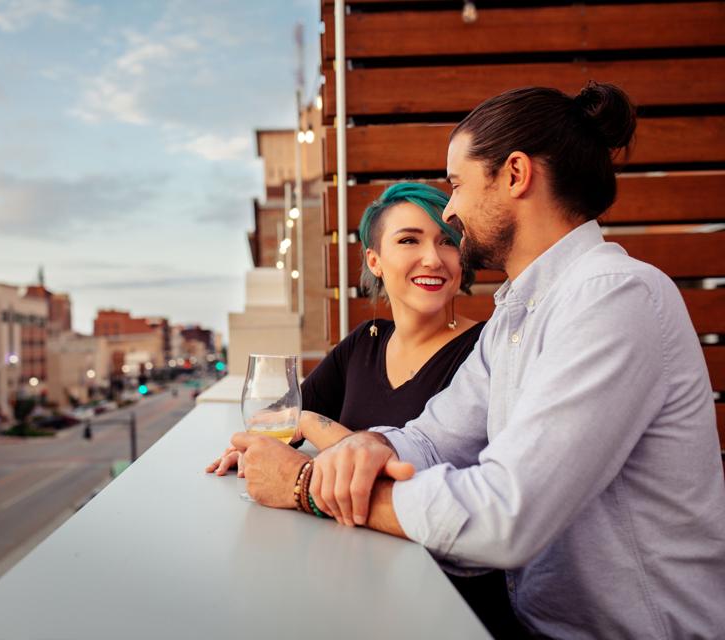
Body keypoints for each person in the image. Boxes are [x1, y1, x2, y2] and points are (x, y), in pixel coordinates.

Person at [231, 82, 725, 638]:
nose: (454, 211)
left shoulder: (614, 297)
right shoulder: (516, 314)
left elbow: (506, 516)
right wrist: (374, 445)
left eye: (457, 184)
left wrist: (307, 488)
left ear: (515, 174)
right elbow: (437, 436)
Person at [208, 183, 521, 635]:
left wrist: (311, 424)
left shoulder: (484, 352)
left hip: (444, 597)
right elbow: (283, 419)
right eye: (409, 240)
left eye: (447, 242)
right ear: (374, 261)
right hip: (351, 574)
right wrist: (257, 451)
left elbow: (402, 473)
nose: (433, 258)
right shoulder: (365, 341)